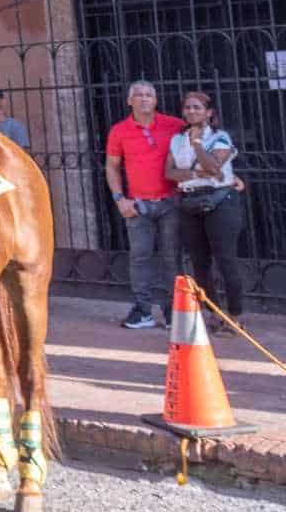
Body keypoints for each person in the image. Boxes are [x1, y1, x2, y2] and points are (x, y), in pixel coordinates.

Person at [104, 80, 184, 329]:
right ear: (130, 101)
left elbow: (197, 149)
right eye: (138, 95)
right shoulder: (119, 130)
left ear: (156, 100)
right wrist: (119, 199)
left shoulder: (175, 125)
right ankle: (143, 309)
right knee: (140, 258)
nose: (144, 98)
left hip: (171, 202)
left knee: (173, 257)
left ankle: (174, 310)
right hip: (137, 205)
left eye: (149, 94)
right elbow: (112, 167)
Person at [166, 90, 247, 334]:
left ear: (209, 113)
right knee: (200, 263)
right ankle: (214, 313)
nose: (191, 111)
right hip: (190, 202)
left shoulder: (220, 138)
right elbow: (169, 172)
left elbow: (214, 167)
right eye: (188, 107)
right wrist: (195, 173)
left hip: (220, 203)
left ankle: (235, 314)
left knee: (225, 259)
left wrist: (198, 145)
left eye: (197, 108)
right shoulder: (177, 140)